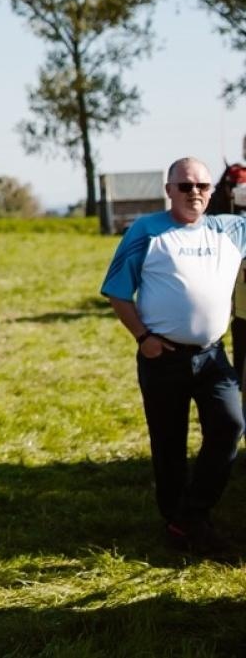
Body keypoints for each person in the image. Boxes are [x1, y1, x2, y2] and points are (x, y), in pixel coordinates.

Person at [100, 157, 245, 558]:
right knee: (169, 444)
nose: (194, 192)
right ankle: (177, 525)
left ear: (213, 192)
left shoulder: (231, 229)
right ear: (169, 190)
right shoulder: (147, 230)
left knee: (230, 426)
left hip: (213, 358)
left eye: (201, 186)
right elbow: (116, 290)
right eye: (184, 186)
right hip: (162, 356)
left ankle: (192, 514)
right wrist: (142, 336)